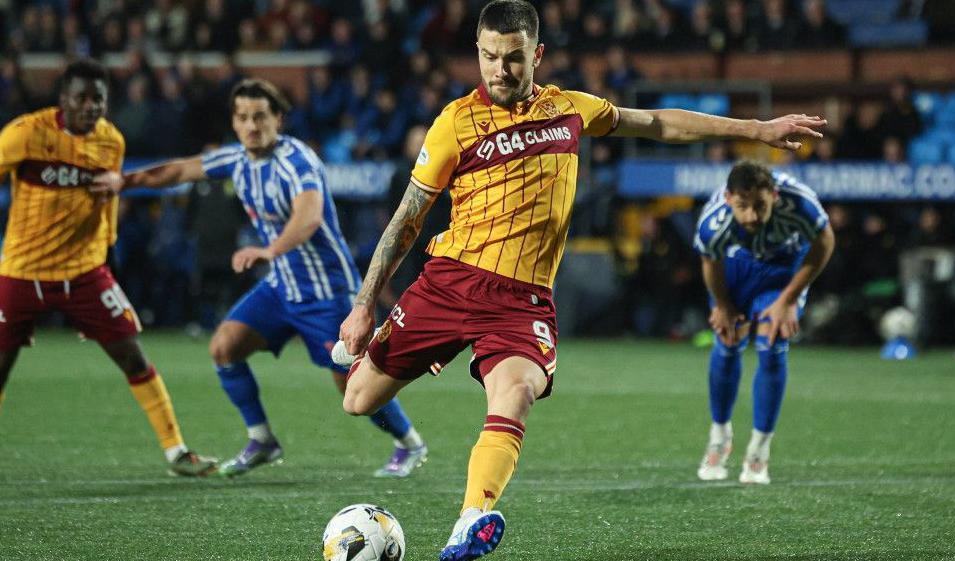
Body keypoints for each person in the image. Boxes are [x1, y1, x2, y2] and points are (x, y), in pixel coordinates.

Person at [337, 2, 825, 559]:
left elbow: (659, 122)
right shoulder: (454, 123)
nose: (500, 69)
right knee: (358, 398)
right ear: (477, 52)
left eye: (513, 57)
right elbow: (407, 219)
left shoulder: (569, 109)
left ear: (536, 55)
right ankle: (368, 359)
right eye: (489, 57)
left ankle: (470, 521)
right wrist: (363, 304)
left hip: (520, 301)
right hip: (449, 282)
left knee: (516, 392)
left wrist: (756, 129)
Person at [90, 79, 427, 478]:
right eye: (243, 117)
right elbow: (179, 169)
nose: (252, 126)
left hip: (326, 290)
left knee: (351, 384)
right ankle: (262, 439)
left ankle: (409, 443)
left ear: (278, 119)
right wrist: (124, 182)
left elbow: (308, 216)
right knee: (224, 347)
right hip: (281, 286)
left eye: (260, 117)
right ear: (234, 123)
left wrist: (270, 250)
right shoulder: (236, 159)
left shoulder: (297, 161)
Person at [0, 59, 216, 476]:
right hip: (22, 271)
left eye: (97, 99)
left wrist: (107, 257)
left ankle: (177, 452)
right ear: (63, 99)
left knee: (134, 358)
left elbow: (106, 204)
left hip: (84, 272)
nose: (89, 106)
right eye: (80, 98)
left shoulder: (110, 141)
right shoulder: (25, 134)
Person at [693, 160, 834, 485]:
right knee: (728, 339)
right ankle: (719, 436)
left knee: (772, 343)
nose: (752, 216)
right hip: (737, 267)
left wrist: (788, 300)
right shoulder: (714, 222)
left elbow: (825, 242)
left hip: (783, 271)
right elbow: (710, 262)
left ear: (775, 196)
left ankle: (759, 449)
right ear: (729, 199)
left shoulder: (800, 204)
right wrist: (723, 306)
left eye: (760, 205)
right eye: (743, 206)